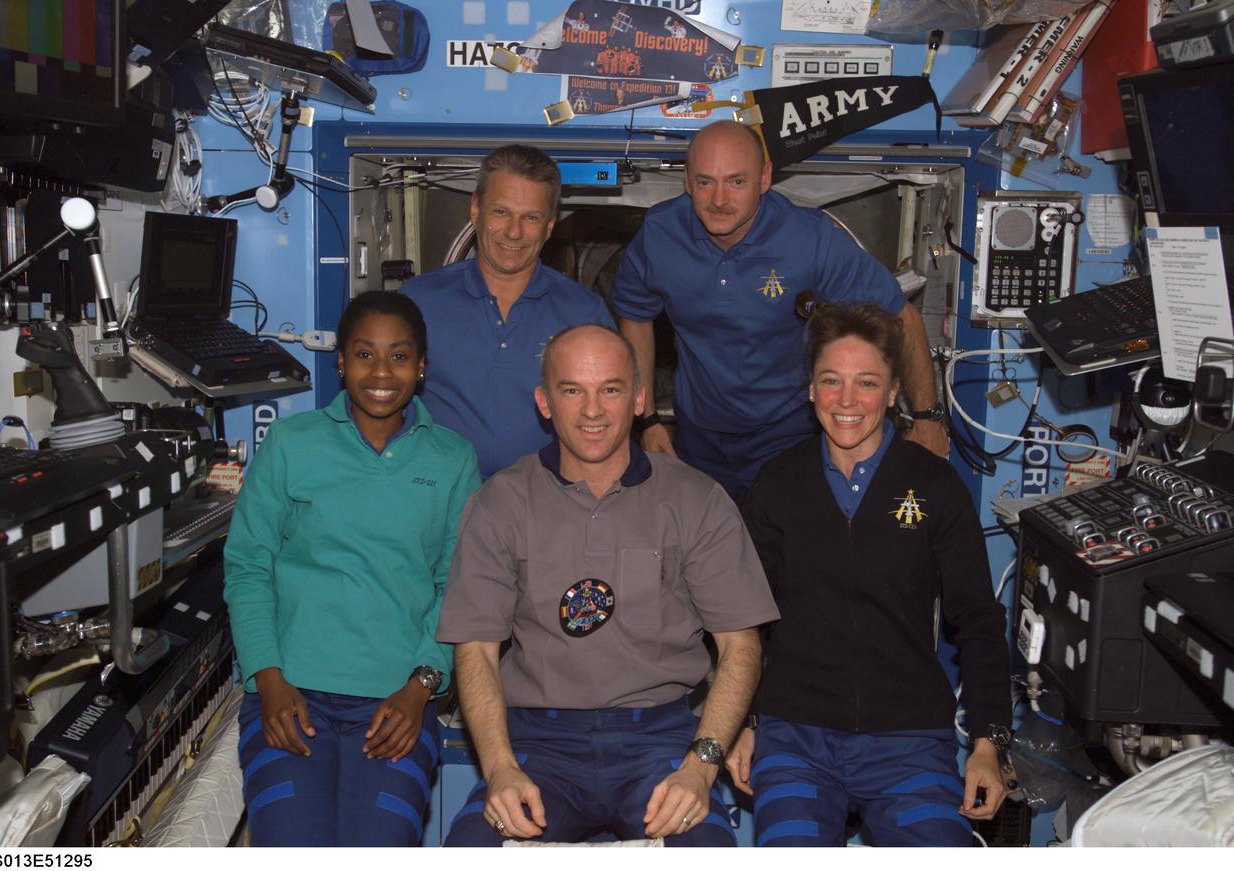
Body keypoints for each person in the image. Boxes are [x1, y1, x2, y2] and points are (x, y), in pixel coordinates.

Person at [437, 324, 780, 846]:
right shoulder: (501, 502)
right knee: (471, 845)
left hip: (659, 740)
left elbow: (740, 646)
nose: (592, 411)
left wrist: (700, 767)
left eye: (611, 389)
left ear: (640, 399)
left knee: (708, 846)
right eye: (572, 390)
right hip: (540, 743)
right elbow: (477, 651)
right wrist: (501, 769)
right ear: (544, 401)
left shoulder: (696, 499)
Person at [732, 303, 1010, 847]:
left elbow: (978, 618)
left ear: (892, 393)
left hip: (908, 741)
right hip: (795, 737)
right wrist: (744, 720)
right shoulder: (777, 484)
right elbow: (741, 621)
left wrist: (987, 742)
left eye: (866, 383)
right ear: (811, 389)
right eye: (830, 381)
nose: (846, 401)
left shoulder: (934, 485)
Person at [222, 291, 480, 846]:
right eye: (364, 355)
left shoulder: (452, 459)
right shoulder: (292, 444)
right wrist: (267, 679)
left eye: (399, 356)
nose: (381, 372)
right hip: (288, 697)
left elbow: (458, 588)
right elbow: (248, 567)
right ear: (340, 362)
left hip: (398, 705)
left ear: (422, 366)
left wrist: (421, 689)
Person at [613, 120, 950, 498]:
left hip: (788, 436)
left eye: (737, 182)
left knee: (789, 552)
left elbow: (901, 318)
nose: (719, 200)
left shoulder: (811, 239)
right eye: (706, 182)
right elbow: (636, 314)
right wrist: (648, 420)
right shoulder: (660, 234)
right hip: (699, 439)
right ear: (687, 181)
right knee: (704, 553)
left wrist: (927, 419)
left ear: (764, 178)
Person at [402, 144, 615, 479]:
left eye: (530, 217)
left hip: (546, 507)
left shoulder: (584, 314)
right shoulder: (417, 302)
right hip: (438, 504)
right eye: (501, 212)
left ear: (549, 225)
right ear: (475, 209)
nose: (514, 232)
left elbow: (609, 421)